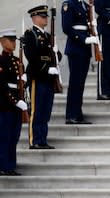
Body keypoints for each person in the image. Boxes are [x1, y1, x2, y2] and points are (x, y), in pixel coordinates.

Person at [24, 5, 59, 149]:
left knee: (46, 111)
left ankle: (42, 139)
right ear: (34, 18)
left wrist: (56, 53)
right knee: (36, 110)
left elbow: (57, 57)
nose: (45, 19)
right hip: (38, 78)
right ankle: (35, 140)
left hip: (49, 79)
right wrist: (46, 69)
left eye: (46, 17)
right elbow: (31, 57)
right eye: (42, 16)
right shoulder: (30, 34)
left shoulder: (48, 36)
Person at [62, 0, 98, 124]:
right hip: (76, 48)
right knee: (75, 84)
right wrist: (84, 39)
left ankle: (77, 113)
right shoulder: (69, 4)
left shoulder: (84, 5)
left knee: (80, 84)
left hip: (84, 50)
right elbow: (66, 28)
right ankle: (71, 115)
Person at [0, 28, 27, 176]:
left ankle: (11, 165)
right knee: (4, 136)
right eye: (10, 40)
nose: (13, 43)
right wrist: (16, 101)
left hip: (17, 105)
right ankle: (3, 165)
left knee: (14, 136)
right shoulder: (1, 61)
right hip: (5, 105)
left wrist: (25, 80)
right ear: (2, 42)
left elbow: (20, 85)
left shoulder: (17, 61)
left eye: (14, 40)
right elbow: (2, 86)